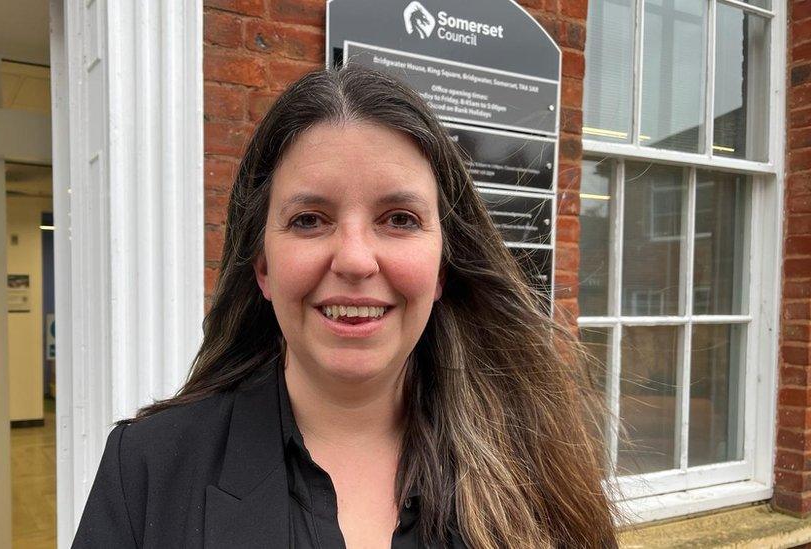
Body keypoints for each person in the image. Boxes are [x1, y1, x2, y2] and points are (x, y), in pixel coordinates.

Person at [73, 65, 617, 548]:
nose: (356, 260)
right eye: (309, 219)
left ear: (442, 269)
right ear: (262, 267)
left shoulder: (540, 468)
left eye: (399, 219)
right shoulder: (144, 471)